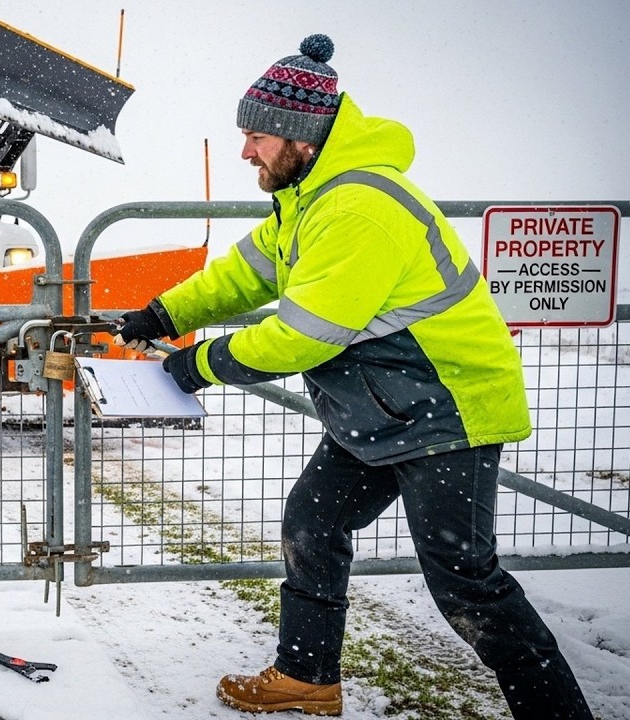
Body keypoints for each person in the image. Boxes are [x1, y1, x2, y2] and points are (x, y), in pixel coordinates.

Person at [114, 35, 592, 719]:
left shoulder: (358, 209)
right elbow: (243, 275)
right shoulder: (307, 198)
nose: (246, 150)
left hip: (446, 408)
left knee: (467, 585)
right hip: (379, 410)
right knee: (312, 522)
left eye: (256, 137)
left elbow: (302, 336)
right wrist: (161, 313)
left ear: (300, 138)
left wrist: (196, 364)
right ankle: (307, 678)